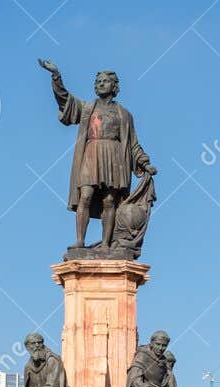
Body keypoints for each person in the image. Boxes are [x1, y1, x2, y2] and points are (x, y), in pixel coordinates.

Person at [39, 59, 157, 251]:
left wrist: (144, 164)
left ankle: (105, 244)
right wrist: (56, 76)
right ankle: (80, 242)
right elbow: (65, 100)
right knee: (85, 195)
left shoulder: (124, 114)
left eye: (104, 81)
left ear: (114, 86)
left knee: (110, 201)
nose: (100, 84)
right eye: (98, 81)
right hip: (91, 154)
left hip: (114, 158)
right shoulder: (87, 108)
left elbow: (133, 144)